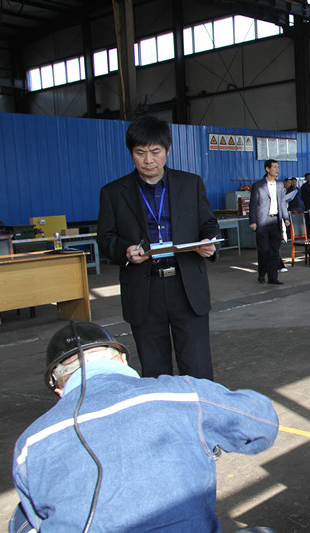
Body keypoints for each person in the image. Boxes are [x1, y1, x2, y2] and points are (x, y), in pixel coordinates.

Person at [10, 321, 279, 533]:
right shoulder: (182, 394)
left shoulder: (30, 445)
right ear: (122, 360)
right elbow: (262, 425)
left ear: (58, 387)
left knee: (22, 517)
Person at [97, 116, 218, 380]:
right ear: (131, 153)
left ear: (167, 150)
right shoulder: (114, 193)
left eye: (155, 151)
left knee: (197, 367)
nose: (148, 160)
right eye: (140, 153)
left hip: (186, 285)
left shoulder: (190, 184)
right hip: (144, 289)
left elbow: (208, 224)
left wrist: (208, 241)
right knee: (154, 369)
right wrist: (125, 250)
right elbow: (105, 238)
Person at [249, 160, 290, 285]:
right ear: (267, 169)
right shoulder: (258, 185)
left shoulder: (279, 185)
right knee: (264, 250)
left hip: (275, 221)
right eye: (274, 167)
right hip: (262, 221)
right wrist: (252, 221)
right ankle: (262, 273)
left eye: (278, 167)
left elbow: (282, 203)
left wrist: (286, 218)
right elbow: (253, 205)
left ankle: (273, 277)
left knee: (275, 251)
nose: (277, 169)